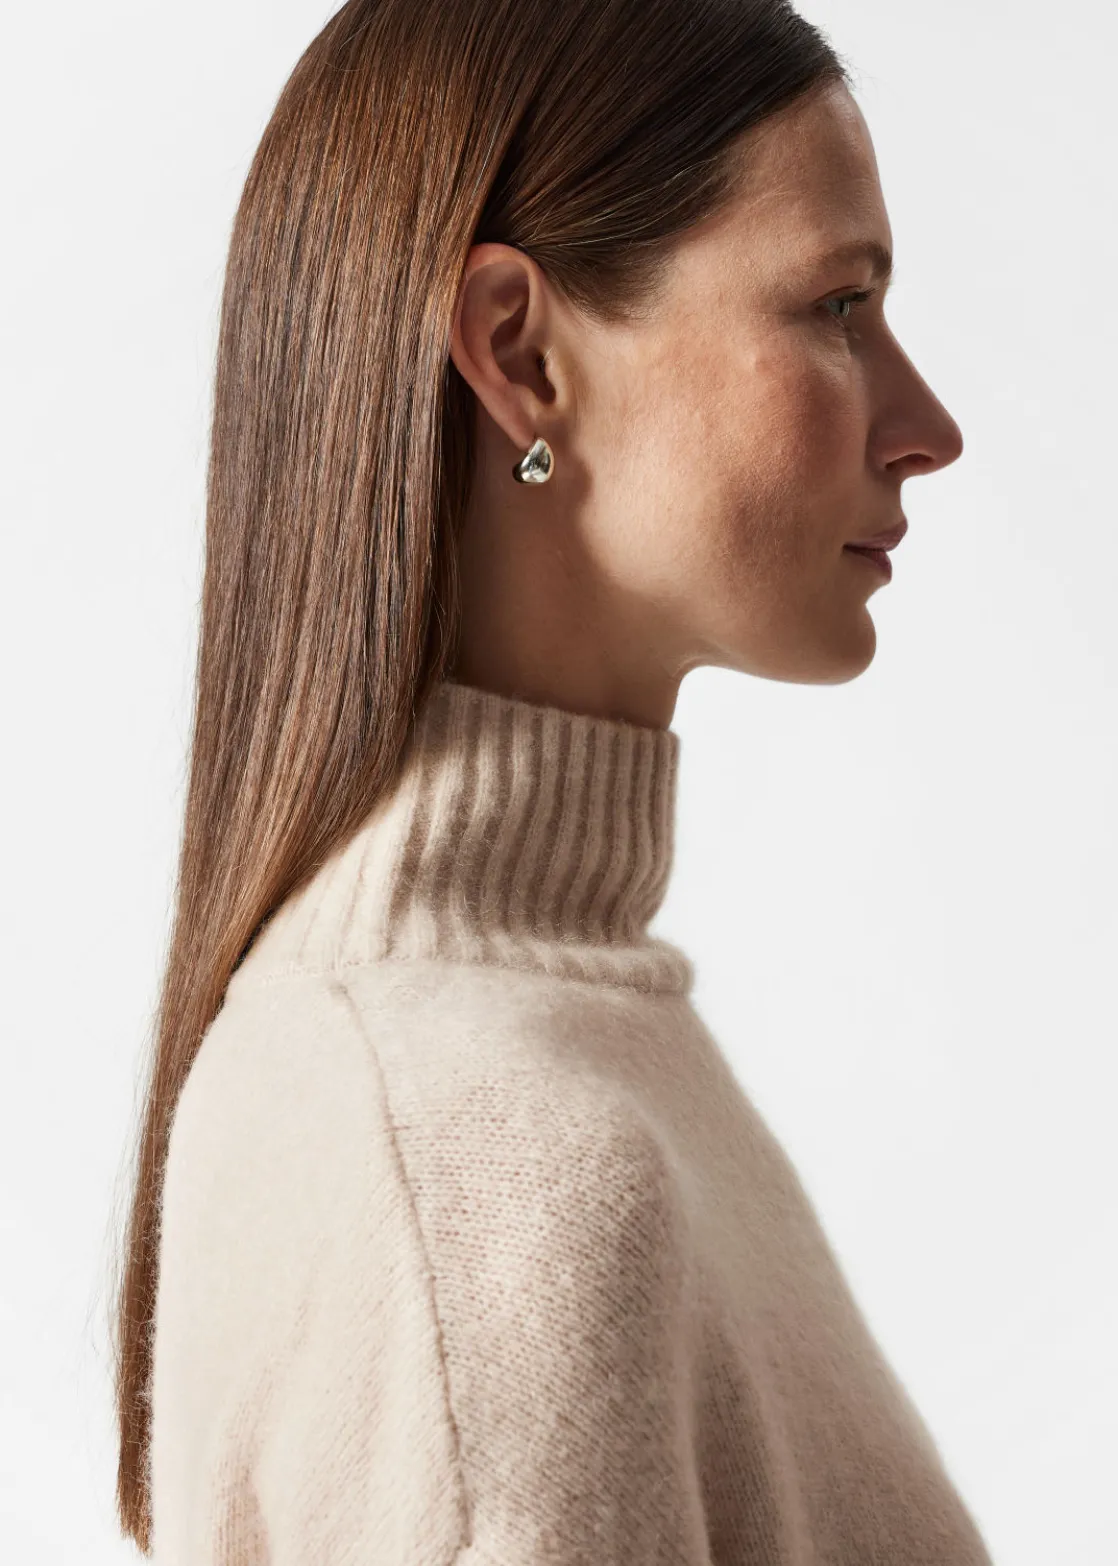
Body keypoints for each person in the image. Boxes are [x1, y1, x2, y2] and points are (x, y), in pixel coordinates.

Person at [109, 0, 987, 1560]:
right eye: (837, 306)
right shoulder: (481, 1148)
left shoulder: (559, 1060)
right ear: (518, 353)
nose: (928, 428)